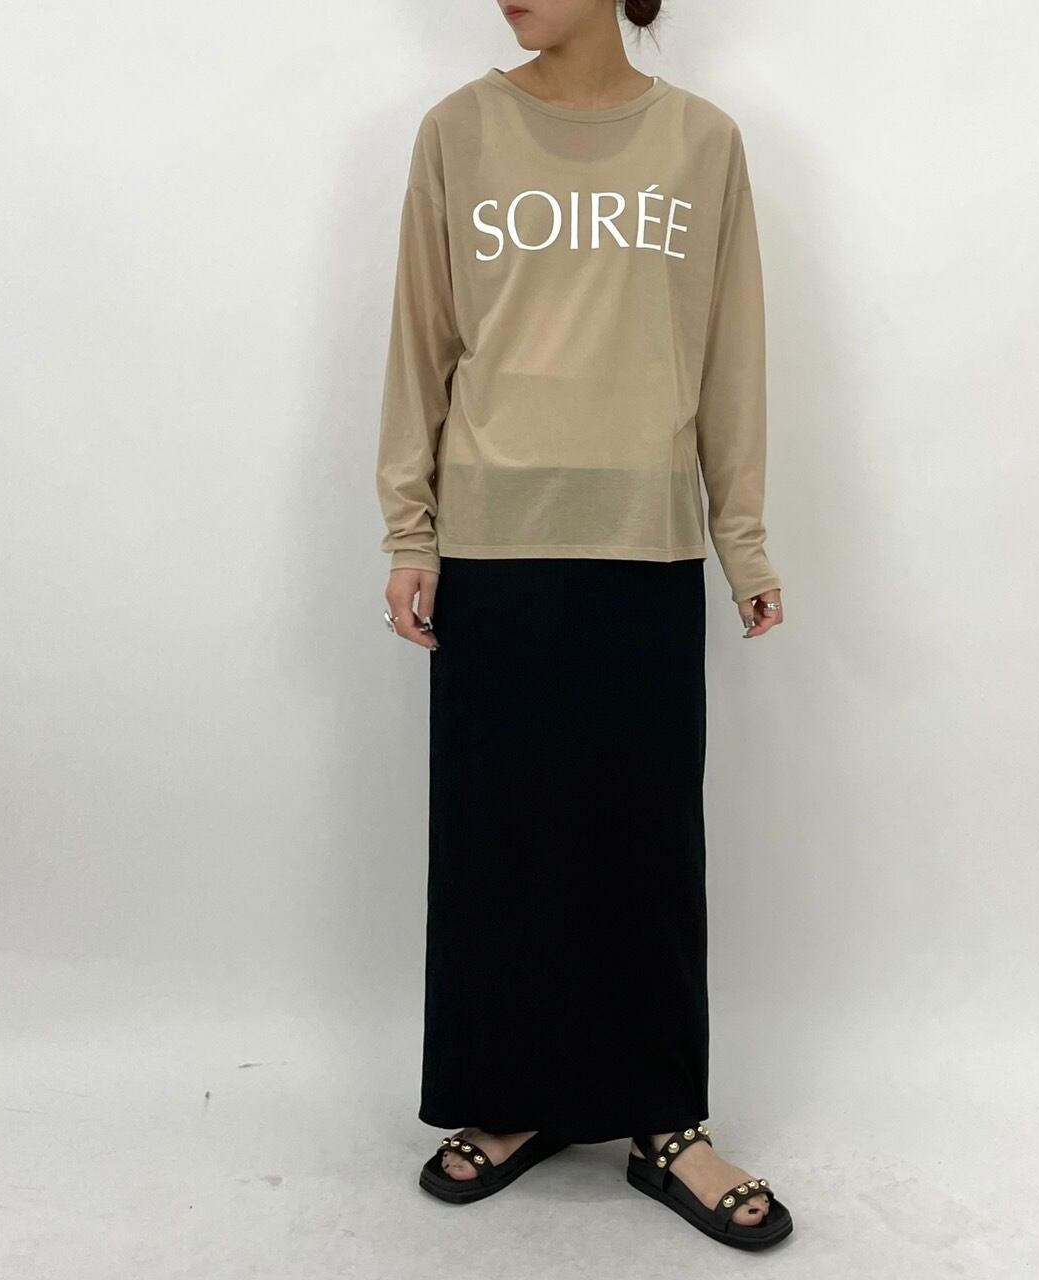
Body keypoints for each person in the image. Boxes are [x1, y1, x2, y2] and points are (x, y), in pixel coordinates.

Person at [373, 0, 794, 1253]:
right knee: (499, 837)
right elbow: (420, 341)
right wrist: (410, 530)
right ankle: (511, 1099)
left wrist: (742, 536)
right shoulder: (456, 133)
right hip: (492, 540)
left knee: (643, 844)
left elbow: (728, 356)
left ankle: (664, 1120)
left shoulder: (702, 143)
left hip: (644, 538)